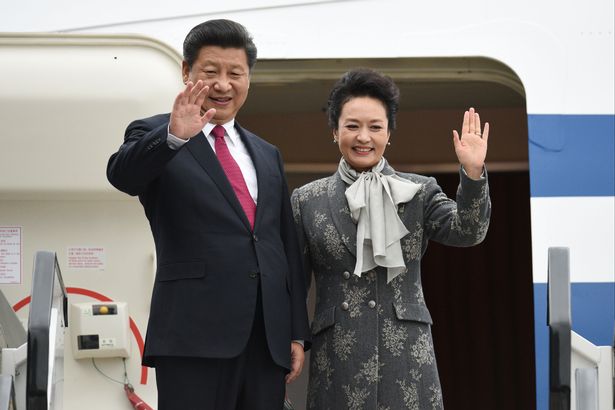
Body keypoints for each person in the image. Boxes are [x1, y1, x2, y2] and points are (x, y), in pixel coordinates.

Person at [107, 19, 310, 410]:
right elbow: (123, 176)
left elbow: (282, 245)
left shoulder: (267, 153)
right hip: (191, 336)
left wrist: (296, 331)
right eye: (210, 71)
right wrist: (174, 136)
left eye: (235, 73)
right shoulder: (156, 133)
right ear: (186, 72)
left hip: (264, 340)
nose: (223, 84)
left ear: (249, 78)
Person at [291, 68, 491, 409]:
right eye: (352, 126)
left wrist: (472, 173)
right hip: (339, 353)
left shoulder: (419, 191)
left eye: (375, 127)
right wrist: (293, 338)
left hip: (407, 354)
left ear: (389, 134)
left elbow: (468, 232)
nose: (363, 137)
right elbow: (292, 283)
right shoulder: (307, 199)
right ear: (334, 130)